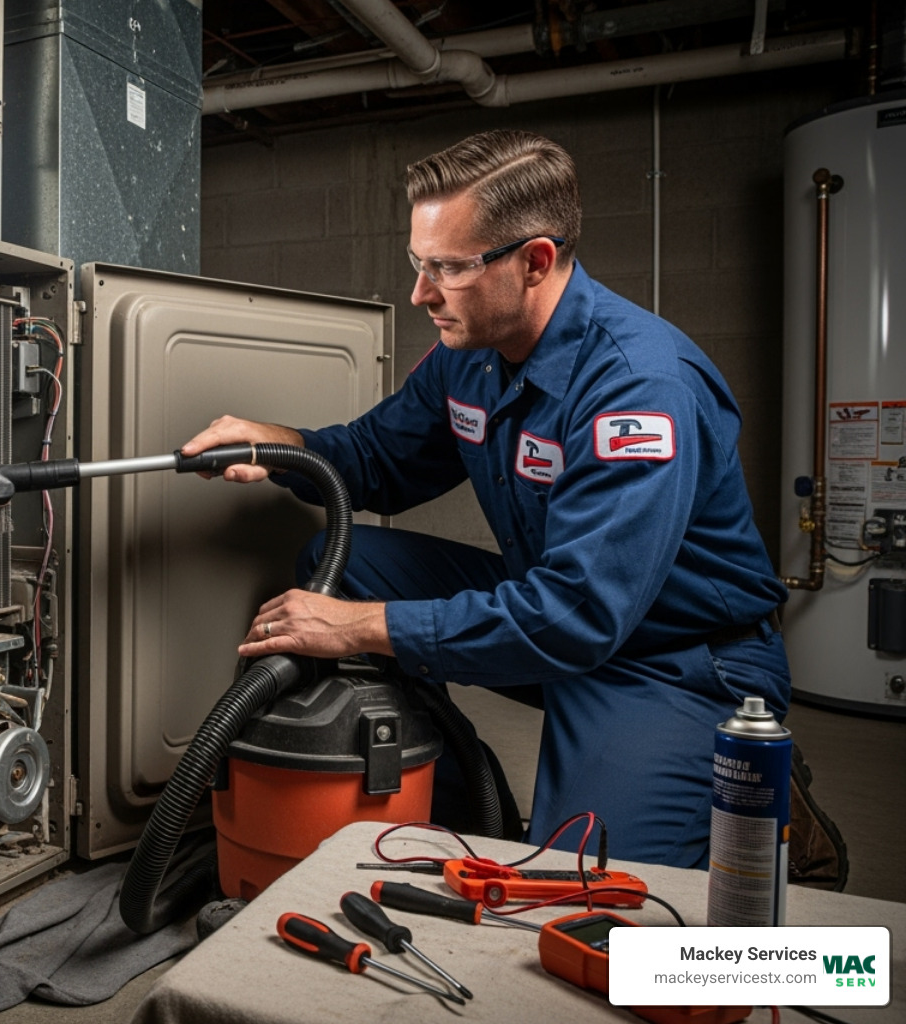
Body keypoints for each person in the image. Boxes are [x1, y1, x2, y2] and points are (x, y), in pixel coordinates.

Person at [181, 129, 791, 868]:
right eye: (419, 261)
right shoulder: (467, 358)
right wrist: (278, 444)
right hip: (560, 610)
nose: (421, 292)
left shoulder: (638, 390)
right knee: (340, 562)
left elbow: (579, 615)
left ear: (534, 261)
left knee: (585, 888)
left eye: (448, 267)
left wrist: (358, 629)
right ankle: (457, 800)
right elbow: (379, 461)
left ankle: (747, 802)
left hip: (670, 657)